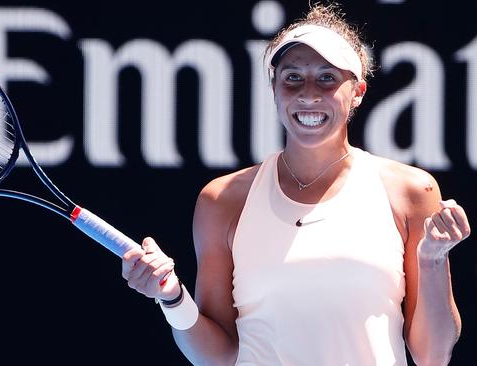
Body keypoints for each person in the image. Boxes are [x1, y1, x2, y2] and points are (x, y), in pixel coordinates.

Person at [121, 3, 471, 365]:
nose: (308, 93)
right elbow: (217, 357)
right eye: (292, 77)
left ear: (358, 92)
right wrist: (173, 298)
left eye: (327, 77)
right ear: (274, 88)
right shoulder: (222, 200)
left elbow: (433, 355)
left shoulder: (411, 192)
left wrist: (432, 260)